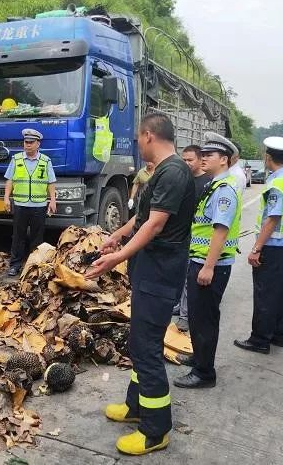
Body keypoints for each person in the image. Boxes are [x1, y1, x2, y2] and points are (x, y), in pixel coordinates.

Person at [86, 113, 194, 456]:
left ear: (149, 135)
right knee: (139, 342)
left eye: (137, 137)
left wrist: (116, 259)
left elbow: (155, 226)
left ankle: (155, 429)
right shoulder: (162, 171)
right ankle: (136, 407)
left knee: (147, 347)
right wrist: (117, 236)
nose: (135, 142)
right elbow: (143, 217)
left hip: (160, 274)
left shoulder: (174, 171)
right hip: (149, 272)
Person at [174, 133, 241, 388]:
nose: (204, 159)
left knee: (205, 320)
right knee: (197, 318)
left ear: (223, 159)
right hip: (200, 260)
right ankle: (198, 357)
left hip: (210, 264)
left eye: (209, 156)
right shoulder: (215, 184)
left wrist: (209, 266)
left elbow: (220, 230)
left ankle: (204, 373)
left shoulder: (224, 190)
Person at [234, 136, 283, 354]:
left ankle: (259, 339)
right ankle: (277, 334)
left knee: (265, 293)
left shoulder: (276, 183)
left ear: (268, 157)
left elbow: (272, 219)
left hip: (271, 246)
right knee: (280, 292)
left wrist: (256, 249)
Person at [4, 129, 57, 277]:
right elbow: (10, 180)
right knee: (18, 237)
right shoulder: (16, 159)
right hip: (20, 205)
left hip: (39, 206)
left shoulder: (45, 161)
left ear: (38, 144)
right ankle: (15, 265)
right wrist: (6, 198)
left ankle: (34, 266)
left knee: (37, 238)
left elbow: (51, 182)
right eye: (25, 142)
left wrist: (52, 200)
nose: (27, 145)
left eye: (31, 142)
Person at [173, 145, 213, 324]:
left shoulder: (208, 182)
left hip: (200, 238)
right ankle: (179, 306)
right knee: (182, 273)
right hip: (184, 234)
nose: (187, 163)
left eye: (190, 160)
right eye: (184, 160)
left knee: (191, 277)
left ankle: (185, 316)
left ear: (200, 160)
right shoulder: (184, 179)